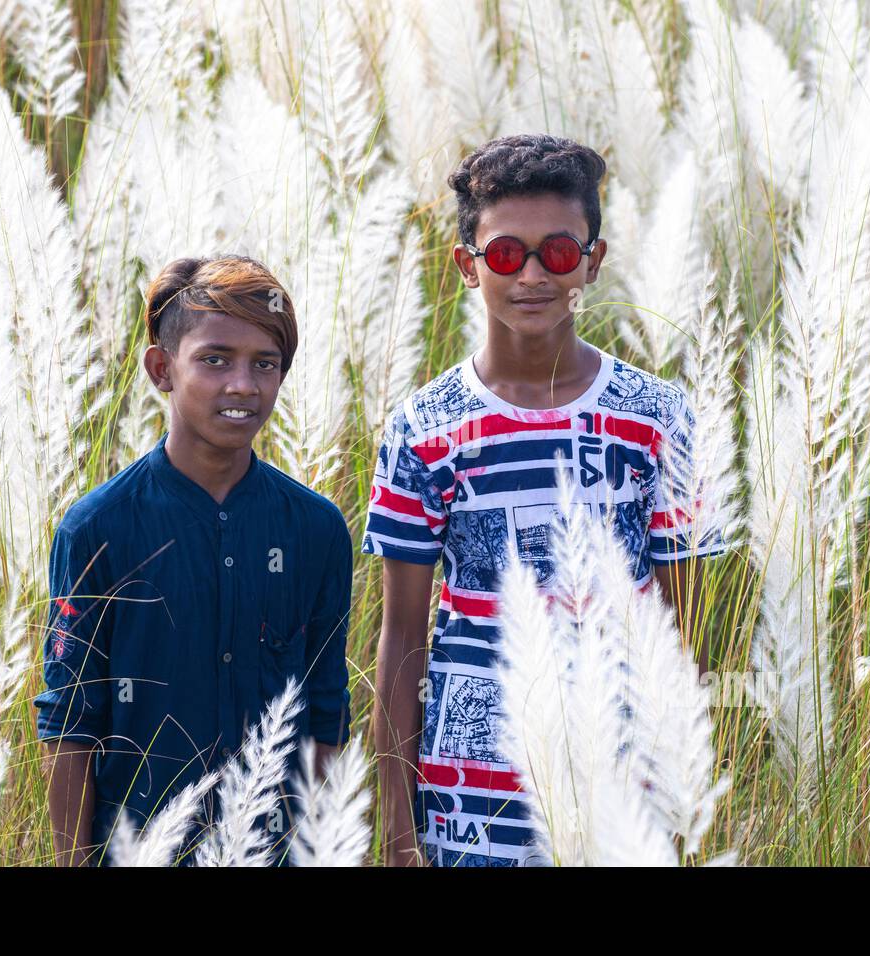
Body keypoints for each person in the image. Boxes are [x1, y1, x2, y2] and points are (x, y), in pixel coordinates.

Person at [363, 134, 727, 867]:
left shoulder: (661, 417)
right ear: (467, 267)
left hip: (623, 797)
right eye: (505, 255)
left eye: (558, 253)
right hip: (468, 809)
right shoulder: (422, 428)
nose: (531, 275)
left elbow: (685, 633)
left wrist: (682, 794)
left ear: (592, 260)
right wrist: (398, 834)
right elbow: (402, 641)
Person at [35, 255, 352, 866]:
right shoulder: (98, 528)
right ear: (162, 368)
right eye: (214, 360)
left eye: (266, 364)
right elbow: (69, 725)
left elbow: (325, 713)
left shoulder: (315, 530)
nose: (243, 384)